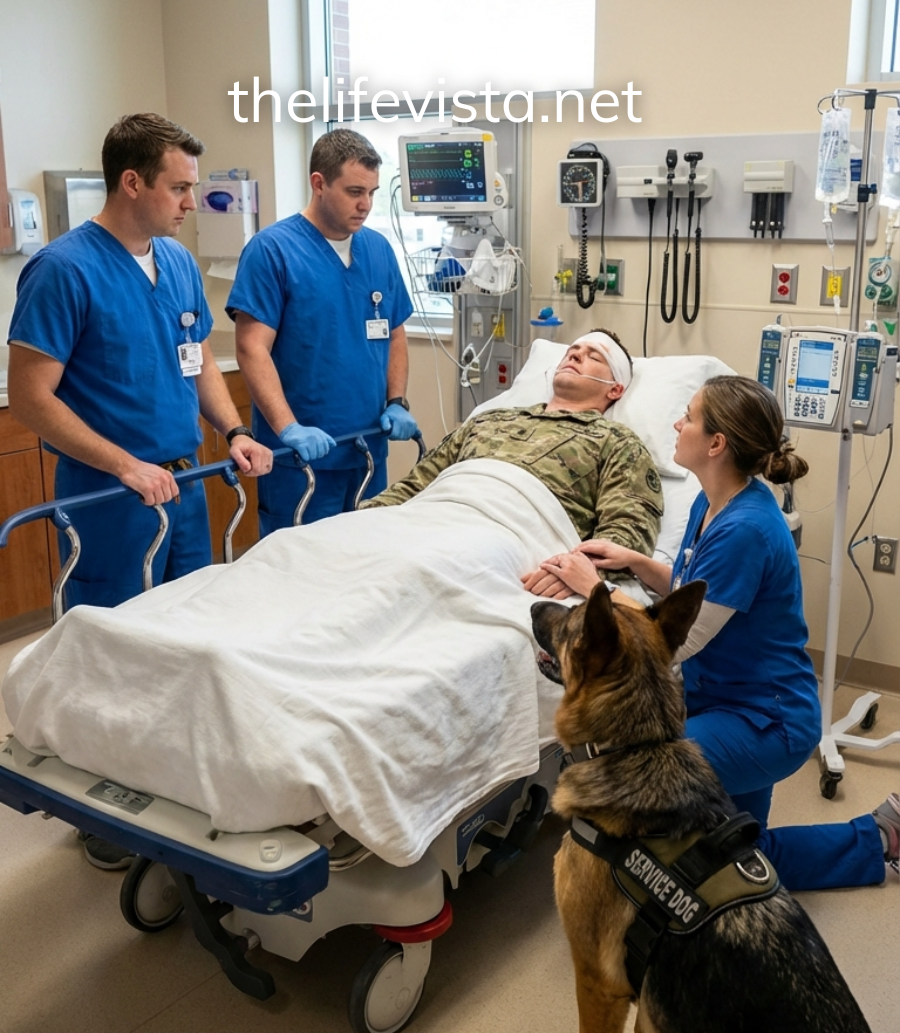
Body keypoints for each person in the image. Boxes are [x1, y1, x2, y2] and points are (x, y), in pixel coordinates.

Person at [6, 112, 273, 867]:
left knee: (187, 638)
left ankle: (176, 785)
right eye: (179, 188)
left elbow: (199, 362)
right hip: (108, 498)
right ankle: (101, 809)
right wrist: (123, 464)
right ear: (132, 182)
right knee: (113, 654)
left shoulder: (177, 263)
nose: (192, 202)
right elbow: (31, 398)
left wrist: (234, 431)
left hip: (181, 485)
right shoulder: (63, 270)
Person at [525, 374, 899, 890]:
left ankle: (876, 839)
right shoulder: (714, 502)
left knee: (645, 776)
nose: (677, 425)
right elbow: (689, 591)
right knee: (737, 855)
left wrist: (595, 589)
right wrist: (635, 561)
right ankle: (883, 838)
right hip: (722, 702)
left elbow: (675, 643)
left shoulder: (745, 529)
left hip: (766, 721)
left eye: (689, 418)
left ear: (716, 444)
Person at [227, 129, 419, 533]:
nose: (365, 205)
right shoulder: (272, 251)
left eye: (372, 192)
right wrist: (287, 427)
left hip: (367, 451)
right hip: (300, 461)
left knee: (367, 558)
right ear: (319, 183)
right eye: (354, 192)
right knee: (300, 566)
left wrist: (397, 400)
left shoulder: (378, 250)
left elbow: (395, 333)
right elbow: (251, 348)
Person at [363, 330, 665, 556]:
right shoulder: (489, 420)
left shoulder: (617, 442)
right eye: (572, 351)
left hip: (508, 539)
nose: (574, 356)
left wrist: (583, 569)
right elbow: (416, 483)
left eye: (594, 356)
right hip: (432, 517)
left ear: (615, 389)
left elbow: (628, 529)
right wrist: (366, 517)